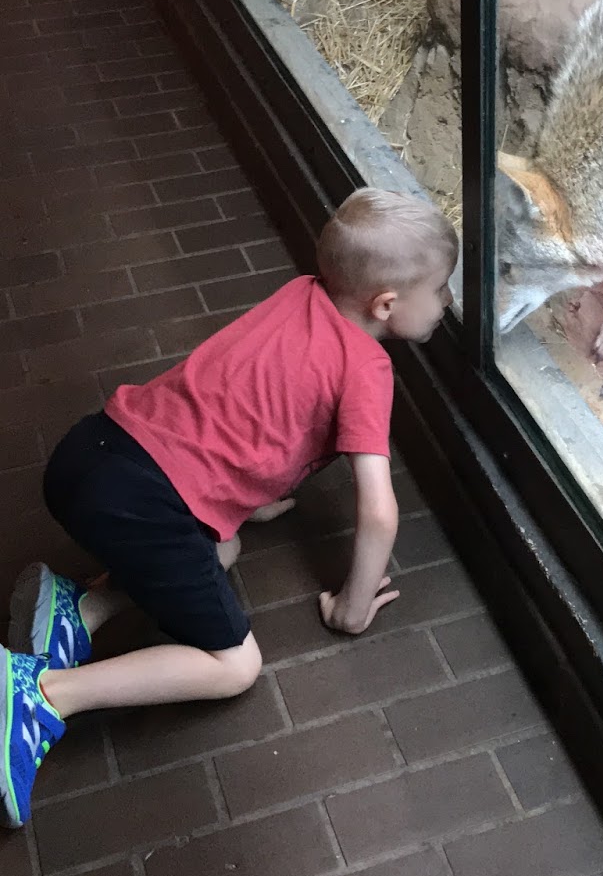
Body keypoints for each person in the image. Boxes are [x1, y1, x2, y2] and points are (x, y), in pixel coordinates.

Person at [0, 188, 457, 830]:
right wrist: (352, 609)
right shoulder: (368, 368)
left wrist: (248, 496)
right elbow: (378, 511)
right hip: (143, 502)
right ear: (386, 304)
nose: (447, 302)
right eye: (439, 289)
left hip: (93, 452)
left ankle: (78, 608)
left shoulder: (301, 292)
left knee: (224, 545)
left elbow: (254, 394)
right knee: (234, 665)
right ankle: (38, 694)